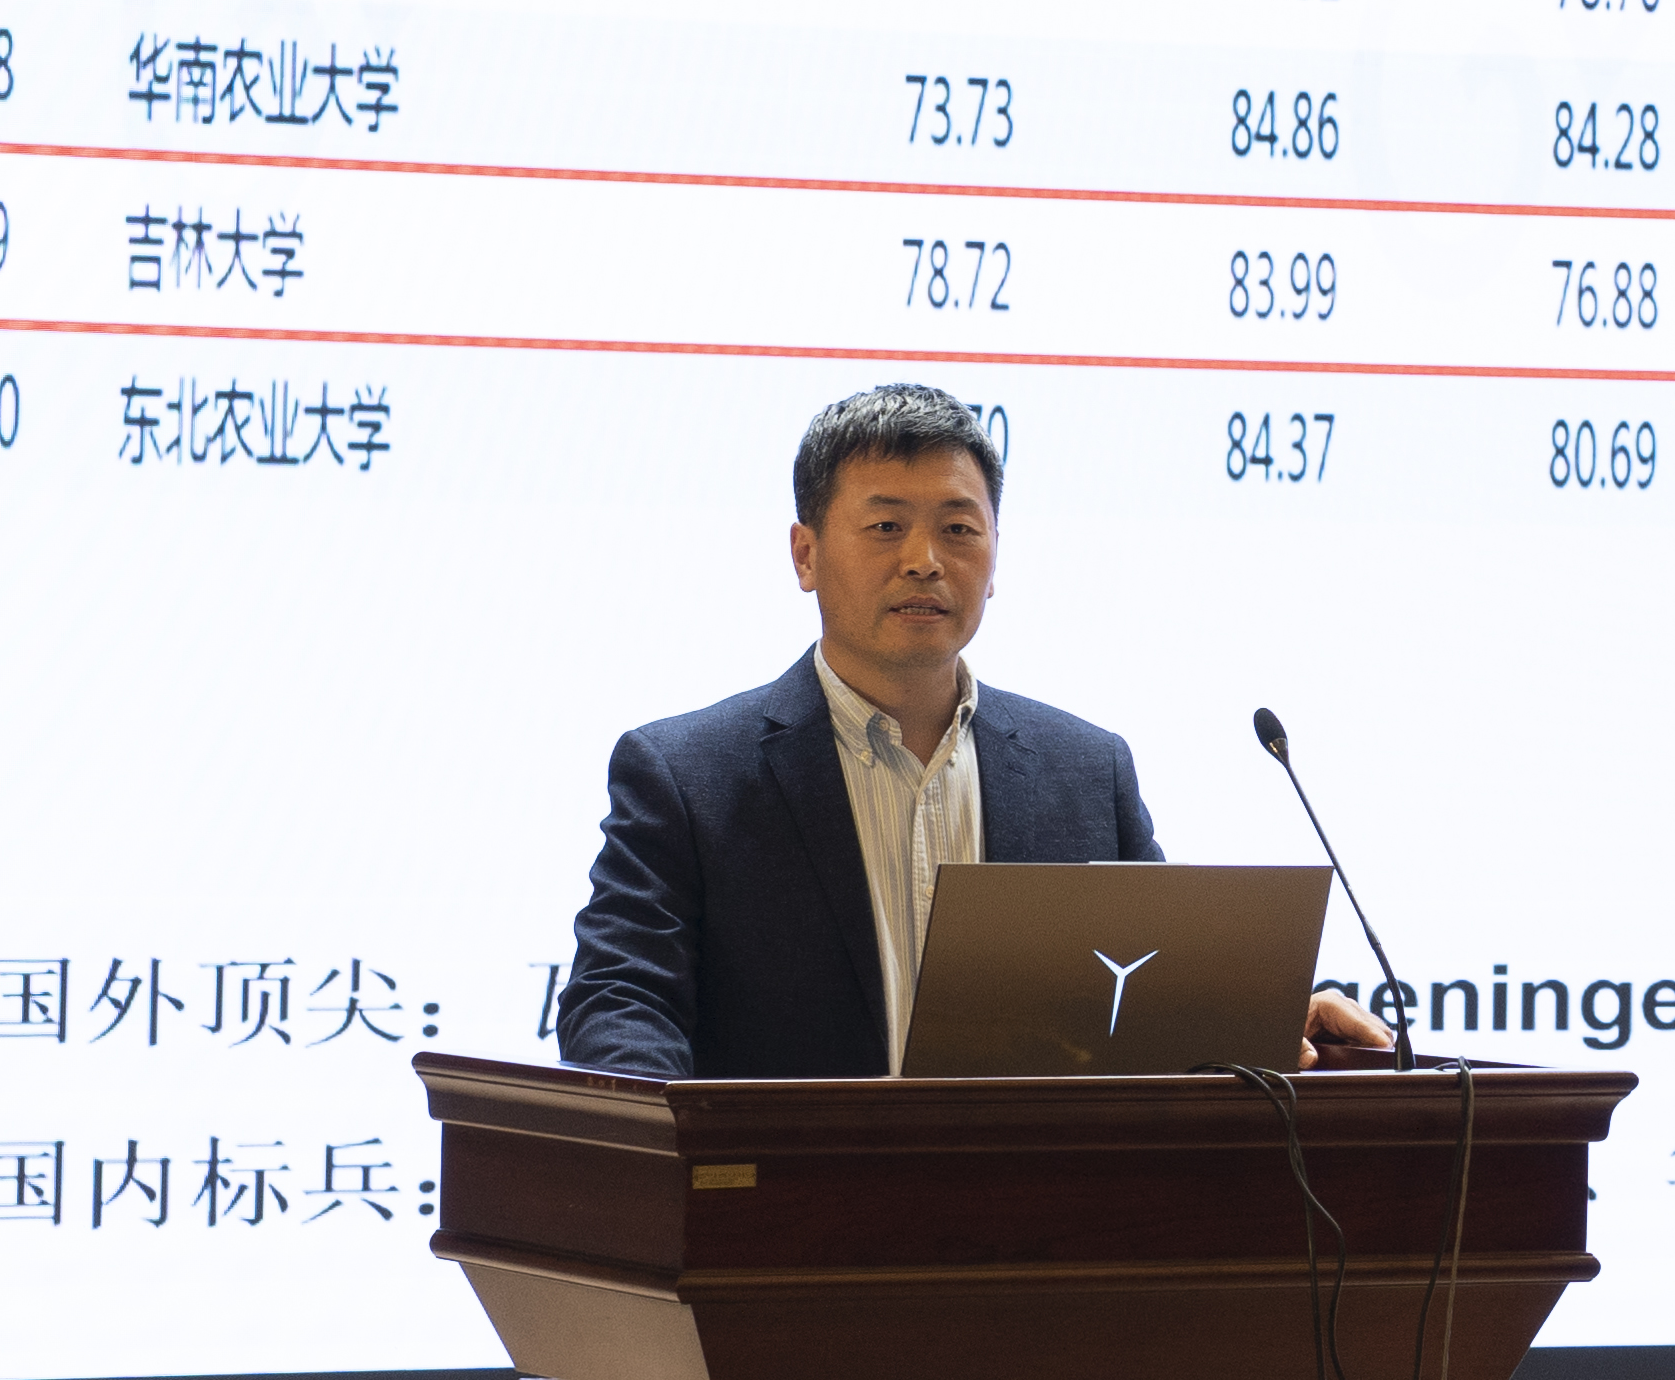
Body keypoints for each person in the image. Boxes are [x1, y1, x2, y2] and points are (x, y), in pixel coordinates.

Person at [558, 382, 1389, 1078]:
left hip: (1032, 1212)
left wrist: (1267, 1018)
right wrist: (671, 1142)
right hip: (791, 1209)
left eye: (959, 529)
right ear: (805, 555)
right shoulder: (686, 776)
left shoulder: (1085, 771)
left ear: (995, 558)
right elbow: (619, 1001)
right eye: (886, 527)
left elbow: (1157, 997)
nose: (925, 559)